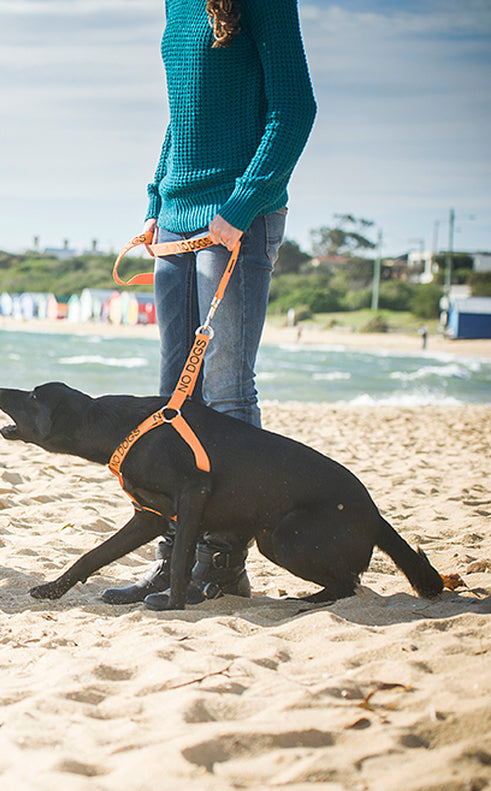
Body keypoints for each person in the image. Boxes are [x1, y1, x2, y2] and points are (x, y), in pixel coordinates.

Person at [102, 0, 316, 609]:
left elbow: (295, 109)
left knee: (224, 390)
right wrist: (156, 196)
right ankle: (176, 553)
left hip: (236, 216)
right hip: (175, 217)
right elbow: (183, 119)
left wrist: (243, 203)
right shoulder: (177, 7)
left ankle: (221, 561)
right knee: (175, 398)